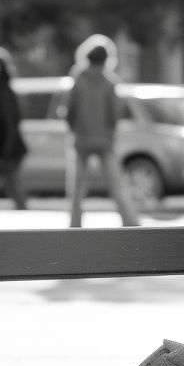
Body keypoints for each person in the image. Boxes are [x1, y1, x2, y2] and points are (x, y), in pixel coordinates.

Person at [65, 34, 139, 227]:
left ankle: (74, 224)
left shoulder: (78, 76)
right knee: (116, 186)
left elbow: (68, 109)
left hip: (81, 139)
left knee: (77, 188)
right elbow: (114, 114)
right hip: (105, 140)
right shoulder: (110, 81)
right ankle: (130, 222)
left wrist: (73, 129)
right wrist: (111, 133)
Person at [0, 46, 29, 215]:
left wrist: (1, 150)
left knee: (14, 190)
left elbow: (8, 124)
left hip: (3, 148)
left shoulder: (1, 91)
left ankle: (29, 232)